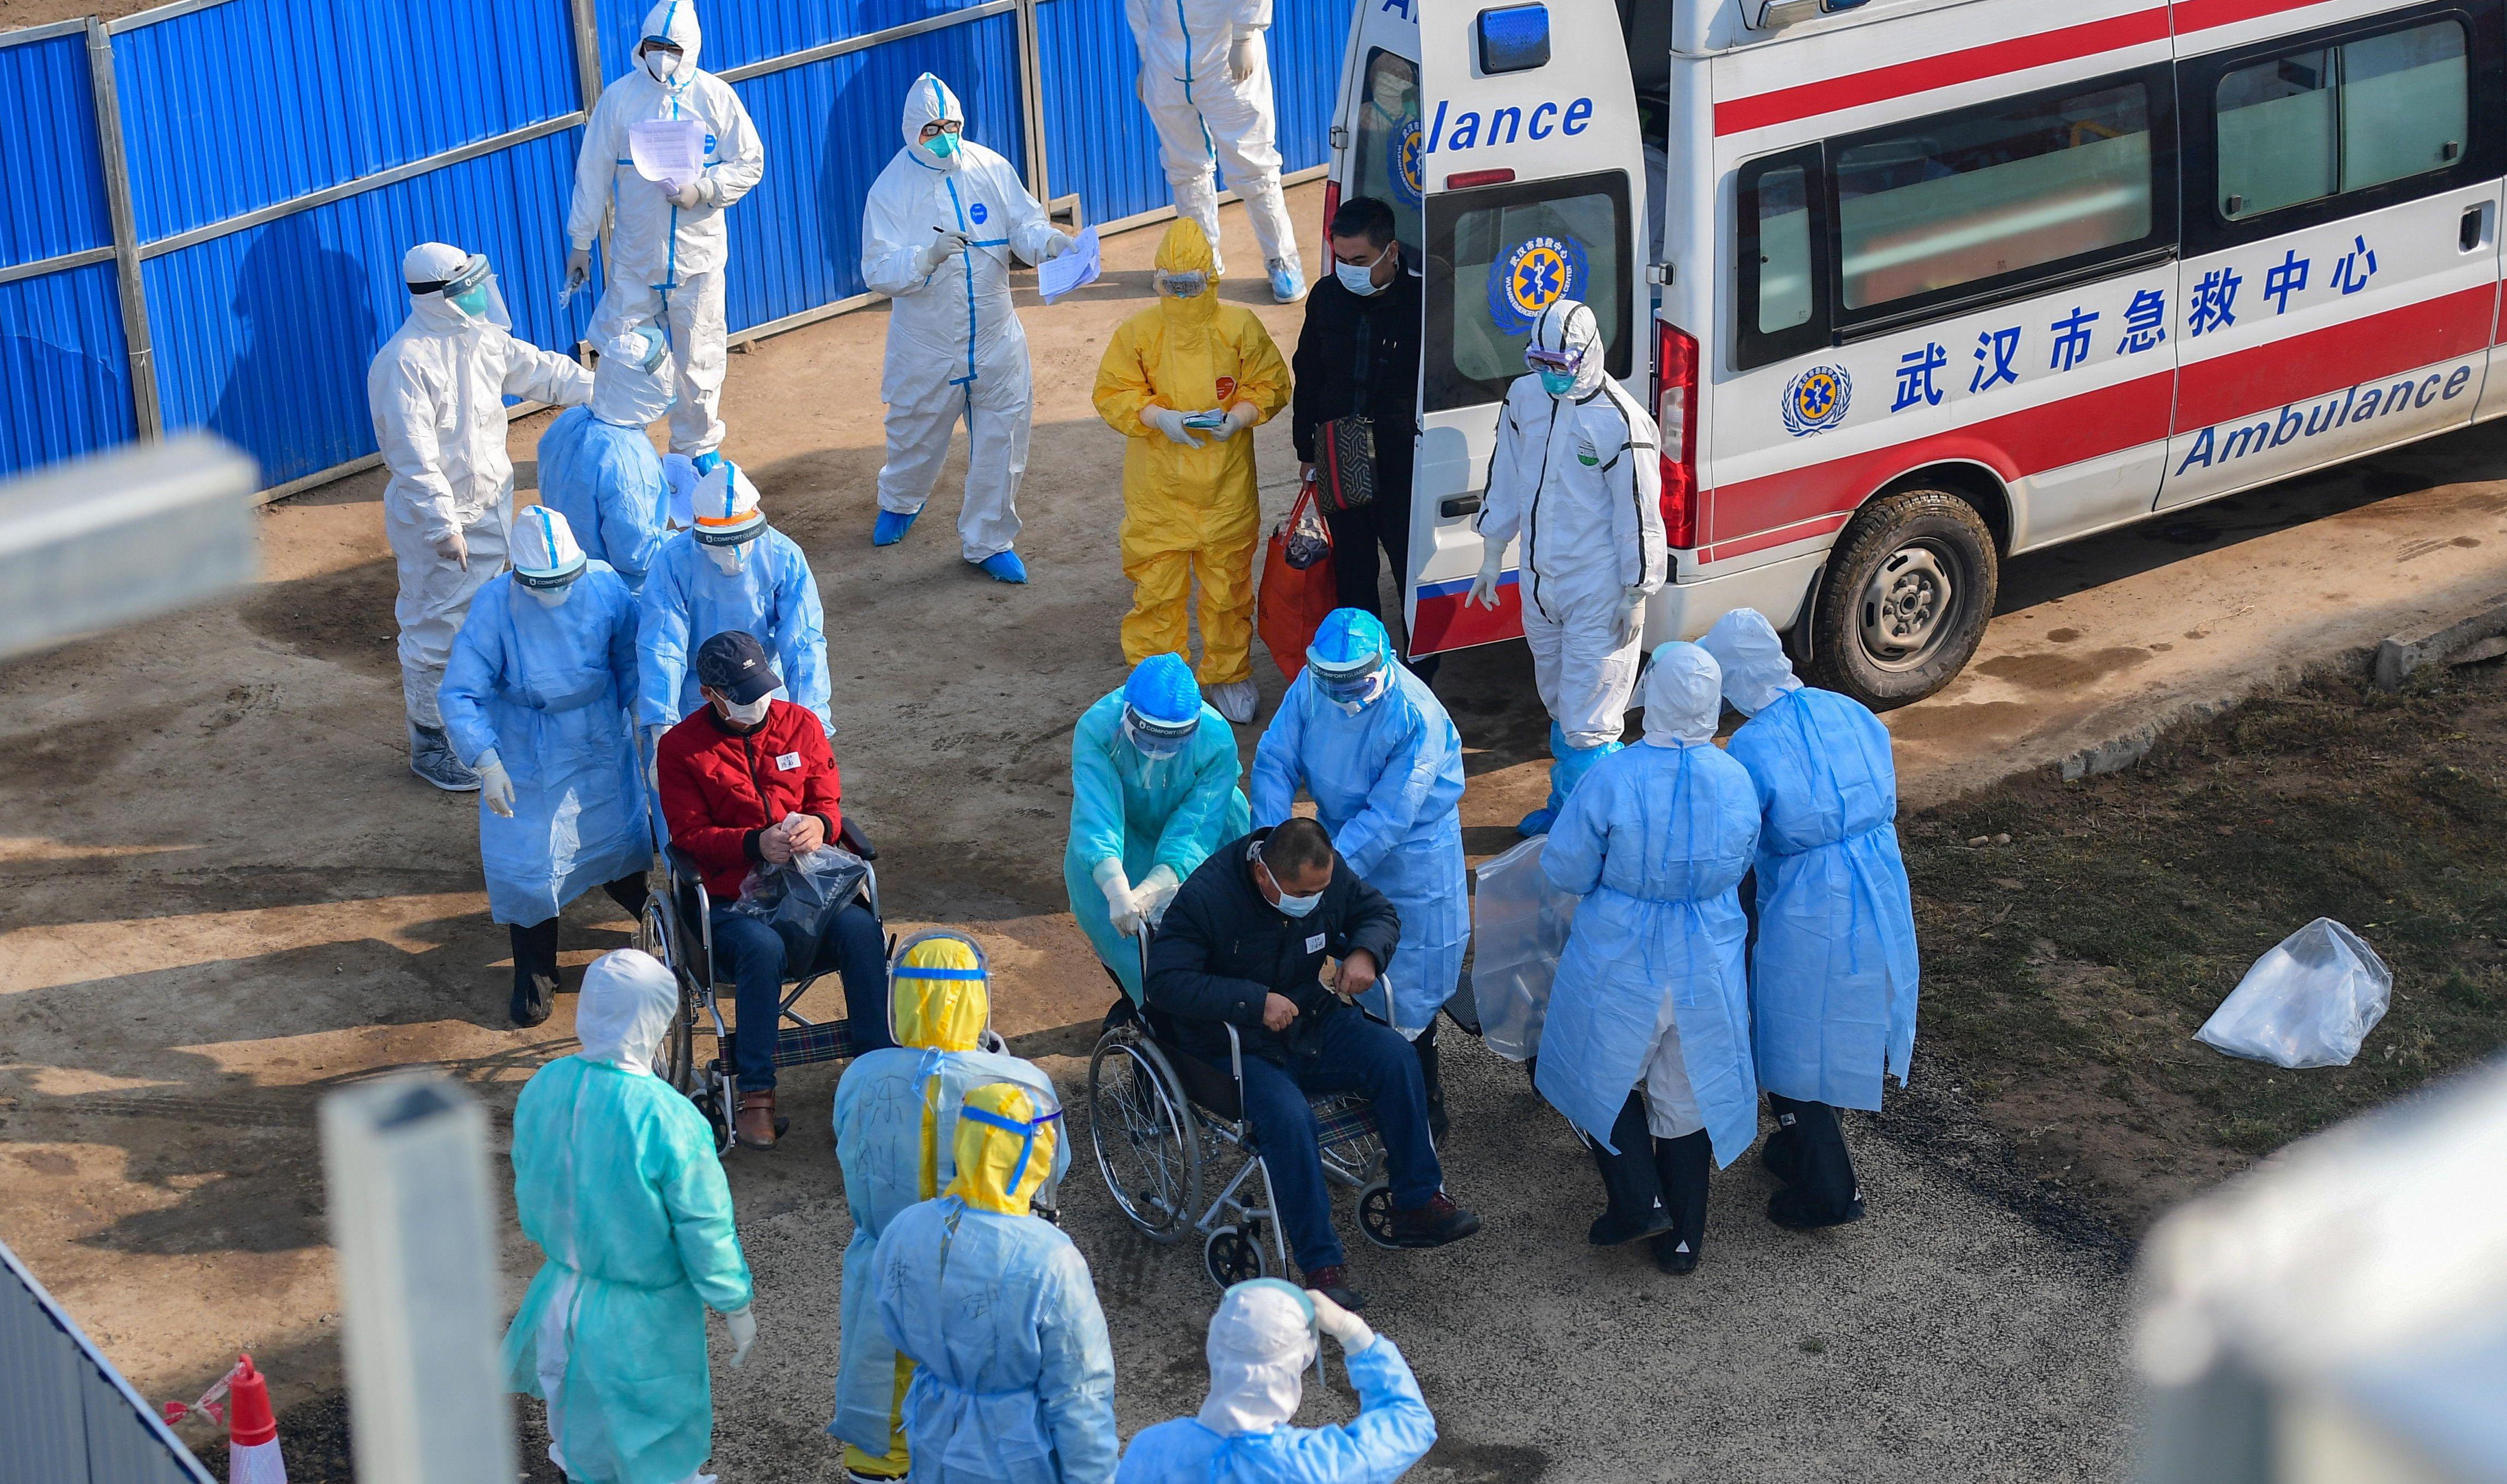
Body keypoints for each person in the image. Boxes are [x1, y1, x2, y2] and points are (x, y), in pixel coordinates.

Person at [1145, 818, 1481, 1308]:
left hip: (1309, 1020)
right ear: (1265, 876)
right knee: (1288, 1116)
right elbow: (1166, 982)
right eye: (1306, 892)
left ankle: (1417, 1202)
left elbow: (1376, 911)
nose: (1317, 900)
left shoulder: (1322, 873)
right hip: (1234, 1044)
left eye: (1323, 889)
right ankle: (1321, 1264)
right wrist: (1254, 1001)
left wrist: (1366, 953)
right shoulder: (1208, 898)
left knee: (1393, 1056)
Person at [1537, 644, 1761, 1275]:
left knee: (1599, 1070)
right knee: (1686, 1091)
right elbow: (1744, 857)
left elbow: (1567, 866)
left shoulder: (1614, 777)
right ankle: (1684, 1240)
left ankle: (1639, 1199)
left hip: (1624, 948)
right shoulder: (1735, 777)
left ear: (1653, 698)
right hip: (1708, 952)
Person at [1700, 607, 1920, 1230]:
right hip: (1879, 875)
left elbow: (1741, 837)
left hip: (1809, 896)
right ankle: (1802, 1144)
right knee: (1855, 1009)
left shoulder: (1750, 744)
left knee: (1791, 1031)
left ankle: (1829, 1189)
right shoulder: (1847, 707)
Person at [502, 949, 756, 1484]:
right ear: (655, 1018)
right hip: (643, 1324)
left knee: (580, 1443)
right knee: (657, 1454)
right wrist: (732, 1298)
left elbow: (531, 1182)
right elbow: (704, 1226)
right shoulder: (669, 1116)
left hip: (560, 1299)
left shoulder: (545, 1085)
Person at [830, 932, 1070, 1483]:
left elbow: (848, 1149)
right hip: (990, 1273)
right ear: (980, 997)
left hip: (885, 1264)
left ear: (901, 998)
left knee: (882, 1407)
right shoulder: (1024, 1082)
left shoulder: (861, 1075)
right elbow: (1051, 1169)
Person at [370, 241, 593, 791]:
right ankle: (431, 742)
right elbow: (413, 455)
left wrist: (606, 390)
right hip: (441, 527)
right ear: (440, 297)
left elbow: (541, 371)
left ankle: (478, 723)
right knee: (435, 628)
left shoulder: (481, 339)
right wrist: (441, 524)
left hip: (492, 508)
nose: (478, 293)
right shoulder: (403, 362)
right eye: (467, 285)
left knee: (491, 616)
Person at [655, 631, 890, 1149]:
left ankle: (879, 1074)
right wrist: (753, 844)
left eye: (761, 688)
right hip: (727, 899)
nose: (757, 703)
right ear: (709, 695)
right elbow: (688, 837)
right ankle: (756, 1095)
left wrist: (818, 826)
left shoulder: (800, 725)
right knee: (763, 949)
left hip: (807, 890)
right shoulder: (680, 750)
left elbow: (828, 802)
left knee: (859, 929)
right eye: (741, 695)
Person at [1250, 611, 1466, 1136]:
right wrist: (1275, 844)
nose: (1345, 693)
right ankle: (1369, 1074)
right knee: (1346, 959)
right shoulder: (1311, 686)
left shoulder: (1415, 713)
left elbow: (1391, 814)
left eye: (1356, 682)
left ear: (1386, 663)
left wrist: (1322, 875)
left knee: (1409, 981)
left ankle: (1423, 1103)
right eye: (1335, 681)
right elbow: (1276, 760)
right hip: (1337, 839)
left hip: (1415, 855)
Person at [438, 507, 651, 1028]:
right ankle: (535, 970)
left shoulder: (604, 587)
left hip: (599, 736)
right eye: (543, 584)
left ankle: (667, 931)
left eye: (564, 581)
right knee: (532, 866)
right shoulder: (495, 606)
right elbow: (461, 691)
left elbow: (630, 658)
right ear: (519, 575)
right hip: (528, 746)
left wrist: (643, 720)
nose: (556, 593)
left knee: (619, 841)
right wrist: (486, 760)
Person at [860, 72, 1072, 583]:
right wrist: (925, 258)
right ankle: (902, 500)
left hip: (998, 338)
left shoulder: (990, 167)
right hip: (928, 346)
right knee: (915, 432)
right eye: (932, 128)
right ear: (914, 131)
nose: (945, 136)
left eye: (951, 125)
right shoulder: (890, 190)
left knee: (1005, 440)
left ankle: (989, 540)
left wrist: (1050, 244)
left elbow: (1023, 223)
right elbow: (877, 270)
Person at [1466, 298, 1667, 837]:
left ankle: (1599, 831)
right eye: (1541, 363)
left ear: (1589, 355)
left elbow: (1640, 515)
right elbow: (1506, 473)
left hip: (1597, 588)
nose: (1551, 376)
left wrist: (1637, 589)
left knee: (1590, 720)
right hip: (1539, 582)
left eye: (1561, 366)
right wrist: (1492, 550)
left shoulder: (1620, 422)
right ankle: (1568, 808)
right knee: (1559, 701)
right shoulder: (1525, 399)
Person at [870, 1081, 1118, 1483]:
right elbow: (1080, 1396)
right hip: (1016, 1451)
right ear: (1030, 1156)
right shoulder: (1052, 1259)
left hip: (934, 1427)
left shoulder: (908, 1226)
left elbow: (896, 1322)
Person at [1092, 220, 1289, 725]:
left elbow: (1269, 382)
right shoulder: (1139, 333)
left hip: (1226, 484)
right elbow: (1114, 393)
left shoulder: (1239, 327)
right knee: (1157, 590)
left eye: (1191, 284)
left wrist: (1240, 416)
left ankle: (1227, 674)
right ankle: (1158, 681)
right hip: (1159, 487)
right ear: (1160, 282)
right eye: (1173, 285)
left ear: (1211, 280)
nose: (1182, 294)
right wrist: (1158, 417)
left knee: (1228, 587)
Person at [565, 0, 765, 466]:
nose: (662, 55)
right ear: (642, 45)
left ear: (690, 49)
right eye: (654, 45)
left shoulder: (715, 98)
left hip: (698, 260)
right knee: (621, 353)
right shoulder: (619, 99)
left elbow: (750, 161)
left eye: (672, 47)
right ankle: (621, 447)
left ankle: (696, 452)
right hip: (636, 258)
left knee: (699, 359)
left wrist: (707, 188)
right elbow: (592, 173)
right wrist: (581, 240)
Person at [1290, 195, 1428, 673]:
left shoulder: (1421, 303)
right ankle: (1363, 663)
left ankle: (1420, 668)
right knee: (1352, 569)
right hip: (1338, 452)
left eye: (1360, 261)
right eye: (1341, 259)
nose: (1348, 269)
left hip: (1401, 457)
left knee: (1411, 566)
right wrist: (1306, 450)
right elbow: (1307, 373)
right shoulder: (1327, 298)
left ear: (1391, 252)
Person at [1065, 653, 1251, 1004]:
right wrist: (1118, 888)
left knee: (1224, 939)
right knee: (1128, 949)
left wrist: (1153, 887)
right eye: (1148, 741)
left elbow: (1196, 829)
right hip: (1122, 842)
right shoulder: (1096, 730)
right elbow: (1098, 814)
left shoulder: (1216, 739)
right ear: (1127, 717)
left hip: (1209, 840)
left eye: (1173, 744)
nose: (1158, 754)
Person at [1114, 1280, 1435, 1482]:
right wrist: (1354, 1333)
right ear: (1301, 1360)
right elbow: (1409, 1422)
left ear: (1214, 1350)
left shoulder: (1152, 1448)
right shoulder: (1319, 1467)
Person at [1121, 0, 1305, 303]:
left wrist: (1245, 36)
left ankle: (1282, 260)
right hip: (1166, 63)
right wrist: (1147, 59)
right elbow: (1139, 7)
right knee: (1184, 168)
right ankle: (1201, 262)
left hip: (1226, 62)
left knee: (1254, 165)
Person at [637, 461, 831, 739]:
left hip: (762, 684)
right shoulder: (674, 561)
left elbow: (803, 642)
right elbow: (662, 643)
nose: (732, 553)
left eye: (739, 541)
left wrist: (812, 720)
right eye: (719, 542)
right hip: (701, 693)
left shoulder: (783, 555)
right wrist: (662, 723)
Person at [535, 324, 675, 596]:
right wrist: (681, 543)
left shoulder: (570, 422)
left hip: (569, 573)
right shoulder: (628, 463)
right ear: (643, 390)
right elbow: (636, 555)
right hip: (619, 593)